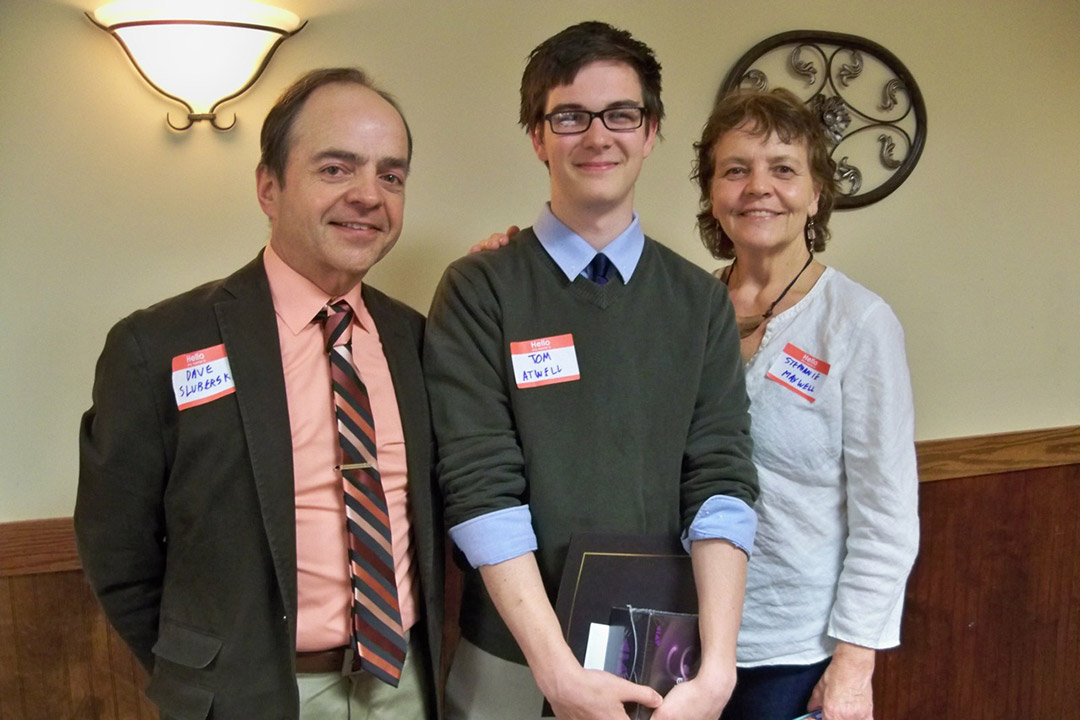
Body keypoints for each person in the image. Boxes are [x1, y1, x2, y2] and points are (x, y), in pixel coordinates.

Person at [75, 68, 444, 719]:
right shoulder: (157, 345)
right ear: (268, 188)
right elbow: (117, 550)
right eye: (336, 169)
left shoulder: (420, 341)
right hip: (250, 696)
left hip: (406, 688)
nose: (369, 195)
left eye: (391, 175)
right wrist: (200, 670)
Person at [424, 21, 759, 720]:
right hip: (514, 661)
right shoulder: (481, 288)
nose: (597, 136)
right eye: (570, 116)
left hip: (665, 657)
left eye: (621, 115)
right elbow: (480, 486)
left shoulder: (699, 302)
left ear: (651, 131)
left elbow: (720, 480)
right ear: (538, 136)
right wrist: (558, 673)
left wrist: (719, 669)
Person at [690, 88, 920, 720]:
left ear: (816, 193)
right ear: (713, 193)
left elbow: (887, 516)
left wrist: (853, 665)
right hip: (684, 638)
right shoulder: (686, 310)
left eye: (784, 169)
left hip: (794, 652)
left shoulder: (859, 323)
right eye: (736, 169)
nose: (758, 187)